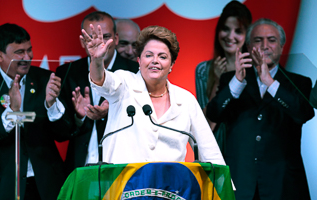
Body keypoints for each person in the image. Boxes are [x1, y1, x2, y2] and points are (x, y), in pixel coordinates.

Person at [80, 23, 226, 165]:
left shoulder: (185, 100)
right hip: (124, 186)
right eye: (149, 55)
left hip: (171, 187)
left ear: (172, 65)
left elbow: (209, 150)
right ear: (139, 60)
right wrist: (97, 60)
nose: (155, 61)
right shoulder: (124, 84)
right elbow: (101, 81)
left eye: (162, 57)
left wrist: (223, 187)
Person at [206, 18, 314, 200]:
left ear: (281, 46)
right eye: (258, 40)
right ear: (248, 46)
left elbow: (303, 113)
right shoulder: (231, 80)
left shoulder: (299, 82)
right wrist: (237, 82)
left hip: (284, 186)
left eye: (271, 40)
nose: (265, 45)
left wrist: (270, 82)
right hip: (239, 184)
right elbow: (213, 114)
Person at [0, 23, 69, 200]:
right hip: (3, 187)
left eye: (29, 50)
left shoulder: (46, 80)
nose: (27, 57)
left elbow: (63, 134)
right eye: (19, 52)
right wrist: (12, 112)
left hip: (47, 185)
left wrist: (51, 105)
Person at [55, 11, 139, 174]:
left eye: (105, 37)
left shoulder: (136, 71)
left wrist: (115, 110)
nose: (99, 43)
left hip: (122, 169)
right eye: (91, 38)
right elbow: (59, 133)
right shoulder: (68, 72)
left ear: (115, 39)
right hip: (79, 170)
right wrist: (59, 109)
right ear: (82, 41)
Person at [195, 1, 252, 153]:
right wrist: (218, 82)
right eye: (225, 29)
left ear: (247, 35)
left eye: (238, 31)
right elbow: (206, 126)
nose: (230, 36)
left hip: (247, 154)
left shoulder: (256, 70)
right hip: (216, 153)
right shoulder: (203, 70)